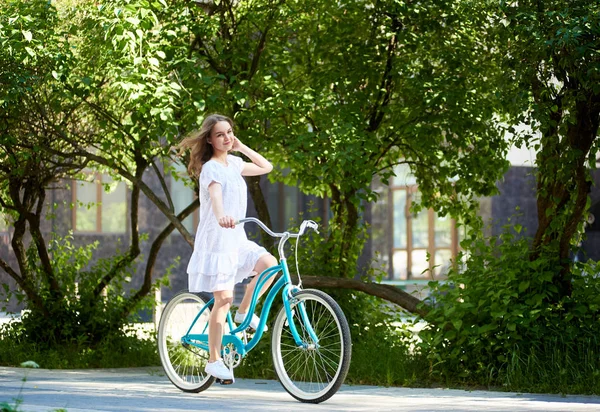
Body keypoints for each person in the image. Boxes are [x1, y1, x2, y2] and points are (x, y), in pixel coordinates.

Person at [177, 114, 278, 381]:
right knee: (222, 300)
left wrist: (242, 147)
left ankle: (246, 309)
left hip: (236, 239)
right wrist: (221, 215)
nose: (226, 137)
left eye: (229, 132)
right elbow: (215, 195)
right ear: (210, 139)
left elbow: (266, 166)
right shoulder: (211, 168)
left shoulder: (234, 162)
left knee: (270, 265)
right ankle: (213, 360)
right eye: (220, 134)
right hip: (217, 241)